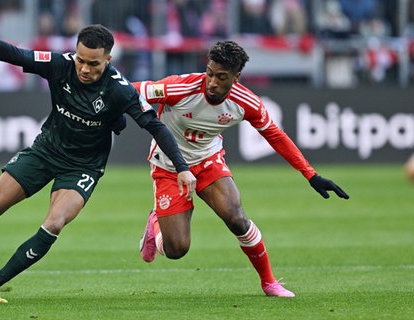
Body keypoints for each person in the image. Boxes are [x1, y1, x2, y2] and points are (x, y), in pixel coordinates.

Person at [0, 24, 196, 303]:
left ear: (108, 60)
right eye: (81, 60)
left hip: (83, 167)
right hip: (45, 151)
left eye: (93, 64)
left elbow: (156, 126)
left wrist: (182, 167)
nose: (84, 69)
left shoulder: (120, 90)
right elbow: (13, 53)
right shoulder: (60, 64)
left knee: (54, 223)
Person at [135, 40, 349, 298]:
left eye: (221, 77)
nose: (212, 82)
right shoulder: (180, 87)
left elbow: (276, 136)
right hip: (168, 165)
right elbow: (131, 91)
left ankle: (269, 283)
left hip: (208, 161)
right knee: (177, 249)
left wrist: (310, 174)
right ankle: (156, 222)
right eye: (210, 73)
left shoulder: (246, 102)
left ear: (236, 77)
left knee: (236, 217)